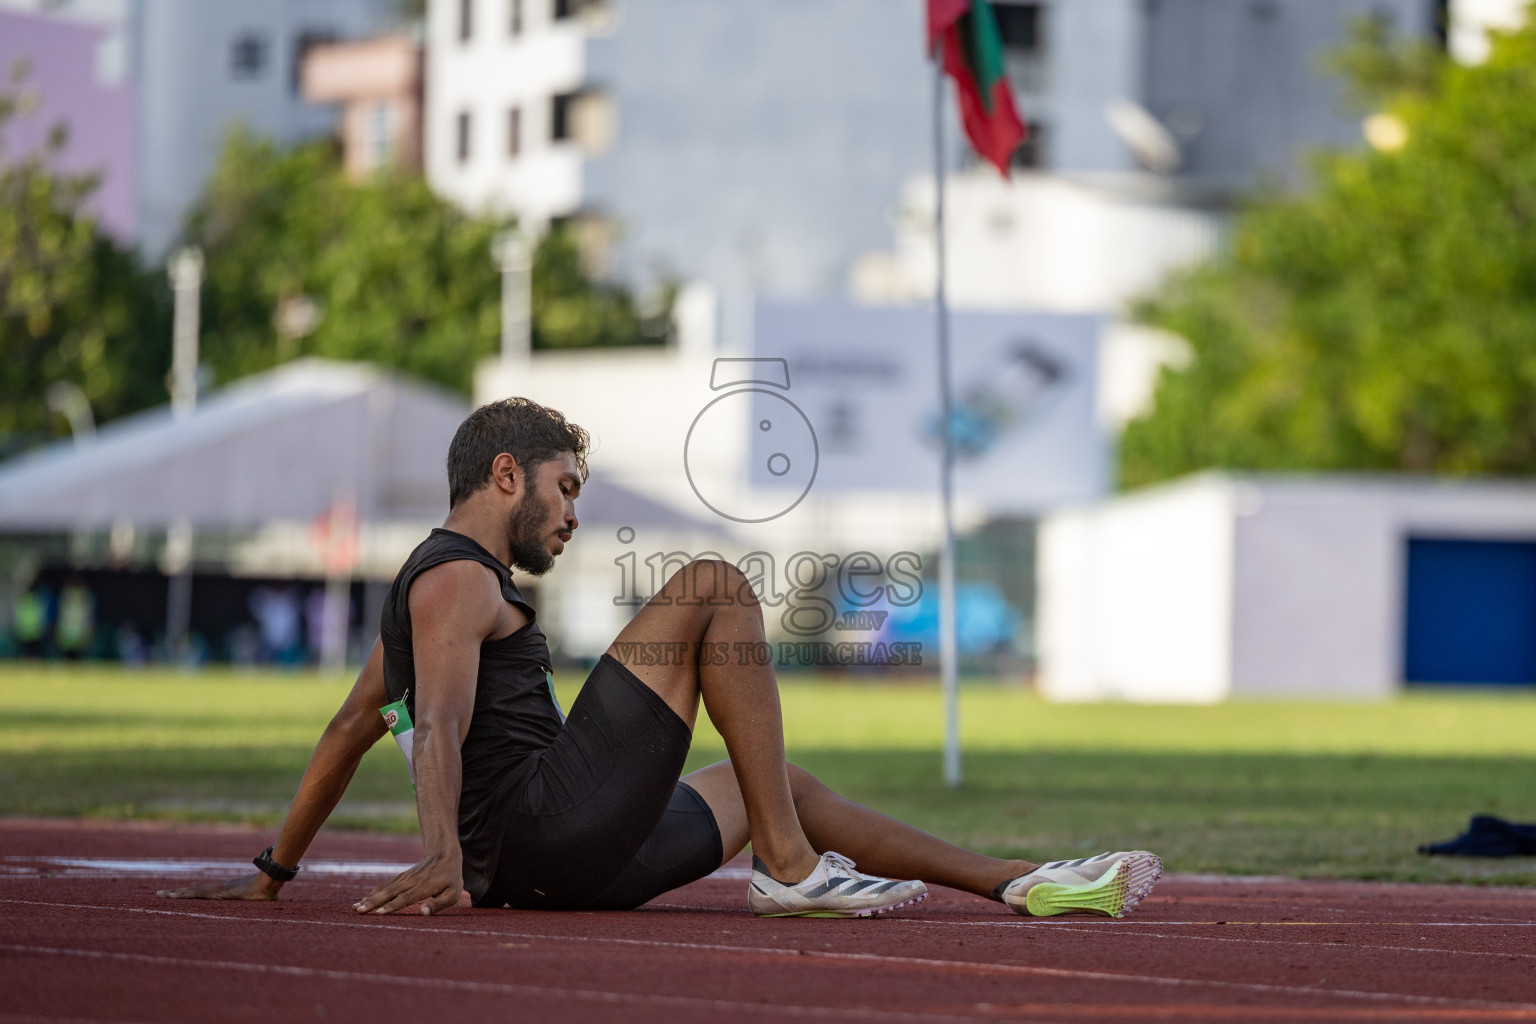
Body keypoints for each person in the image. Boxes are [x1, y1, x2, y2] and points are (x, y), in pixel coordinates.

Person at [160, 398, 1160, 919]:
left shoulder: (427, 594)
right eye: (563, 486)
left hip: (567, 861)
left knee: (776, 782)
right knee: (714, 587)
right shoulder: (456, 579)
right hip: (542, 833)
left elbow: (353, 726)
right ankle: (787, 867)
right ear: (506, 474)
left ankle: (1016, 881)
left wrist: (271, 869)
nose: (573, 510)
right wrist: (440, 852)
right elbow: (442, 726)